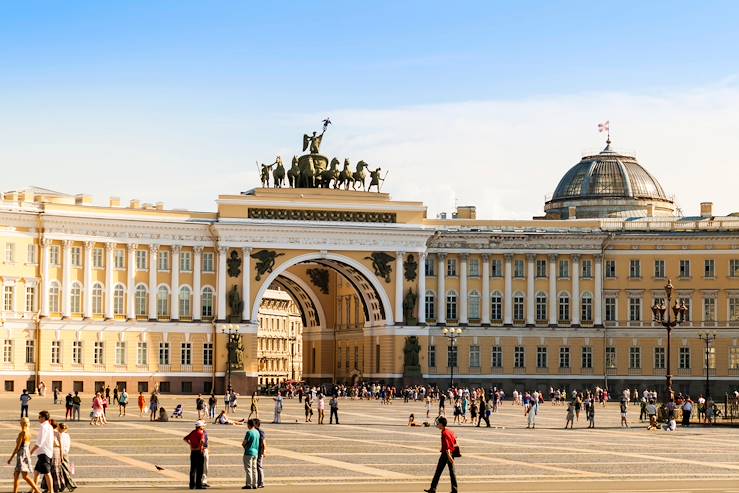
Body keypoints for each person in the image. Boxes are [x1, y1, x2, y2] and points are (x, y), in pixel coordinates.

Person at [7, 417, 43, 493]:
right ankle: (16, 491)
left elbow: (17, 447)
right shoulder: (29, 432)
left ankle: (37, 491)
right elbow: (28, 445)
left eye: (20, 422)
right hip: (26, 453)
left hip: (21, 454)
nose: (20, 423)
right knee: (17, 475)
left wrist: (11, 458)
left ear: (22, 423)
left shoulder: (22, 433)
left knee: (23, 476)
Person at [423, 416, 458, 493]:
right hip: (451, 453)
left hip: (446, 454)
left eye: (438, 423)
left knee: (438, 471)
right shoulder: (450, 431)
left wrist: (449, 456)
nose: (437, 424)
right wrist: (452, 454)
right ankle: (454, 489)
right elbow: (455, 441)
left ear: (441, 424)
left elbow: (447, 445)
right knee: (452, 472)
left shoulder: (444, 433)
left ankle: (433, 488)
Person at [30, 411, 54, 493]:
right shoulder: (50, 426)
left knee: (47, 473)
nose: (38, 418)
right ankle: (33, 489)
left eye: (39, 417)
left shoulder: (43, 427)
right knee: (36, 472)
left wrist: (30, 452)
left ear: (43, 417)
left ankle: (51, 491)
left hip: (44, 453)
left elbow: (39, 442)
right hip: (46, 452)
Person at [183, 421, 206, 490]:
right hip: (199, 452)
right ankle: (198, 485)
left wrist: (190, 445)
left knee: (193, 469)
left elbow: (185, 439)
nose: (203, 427)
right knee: (200, 469)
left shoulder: (193, 432)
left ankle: (192, 485)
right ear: (200, 426)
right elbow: (202, 441)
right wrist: (200, 447)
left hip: (193, 452)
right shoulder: (201, 433)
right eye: (203, 426)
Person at [57, 423, 77, 492]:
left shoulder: (60, 435)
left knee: (63, 471)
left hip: (61, 454)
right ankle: (62, 486)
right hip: (66, 454)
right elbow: (67, 446)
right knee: (64, 471)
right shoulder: (67, 435)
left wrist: (61, 455)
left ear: (60, 428)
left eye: (58, 427)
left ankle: (71, 485)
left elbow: (61, 446)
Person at [242, 419, 260, 490]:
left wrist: (245, 446)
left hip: (249, 452)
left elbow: (244, 443)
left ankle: (249, 484)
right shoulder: (257, 432)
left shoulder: (249, 432)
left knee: (248, 469)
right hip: (256, 452)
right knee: (254, 469)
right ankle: (255, 484)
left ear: (249, 425)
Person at [255, 418, 266, 489]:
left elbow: (264, 442)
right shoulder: (255, 431)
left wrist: (264, 451)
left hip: (259, 451)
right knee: (256, 466)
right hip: (256, 451)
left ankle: (261, 482)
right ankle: (257, 482)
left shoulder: (260, 432)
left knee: (259, 466)